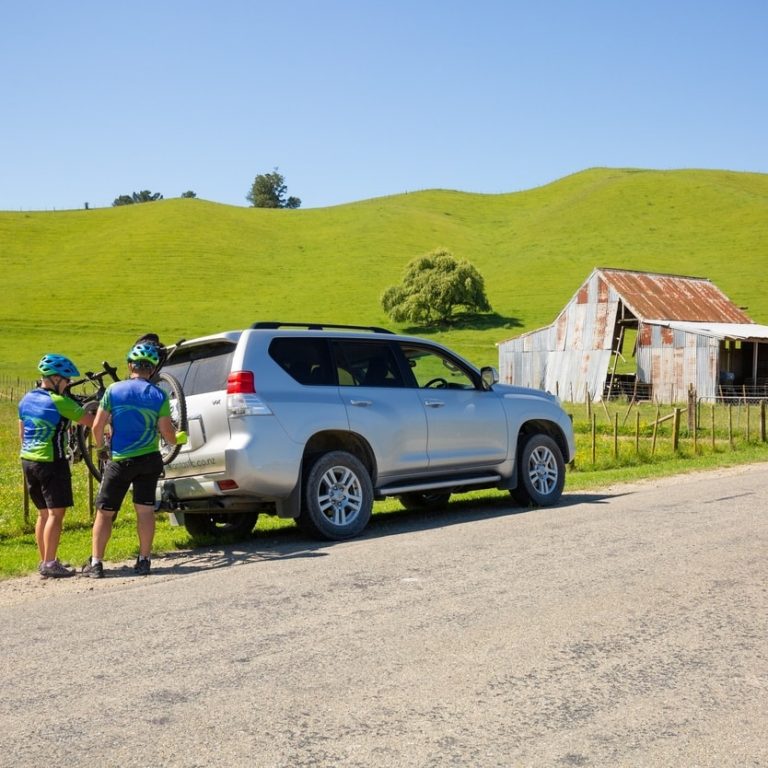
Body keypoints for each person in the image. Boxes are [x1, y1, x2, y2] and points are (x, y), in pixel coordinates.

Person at [82, 342, 186, 578]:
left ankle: (96, 563)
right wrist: (178, 438)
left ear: (130, 366)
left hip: (120, 460)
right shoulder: (158, 394)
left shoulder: (114, 390)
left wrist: (102, 449)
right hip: (149, 460)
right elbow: (167, 434)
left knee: (105, 513)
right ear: (151, 369)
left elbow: (97, 426)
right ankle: (144, 560)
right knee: (145, 511)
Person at [19, 354, 95, 578]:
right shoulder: (60, 402)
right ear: (53, 379)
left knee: (43, 514)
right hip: (52, 461)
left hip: (28, 460)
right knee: (55, 514)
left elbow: (22, 434)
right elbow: (89, 421)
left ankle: (45, 561)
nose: (68, 383)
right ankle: (51, 563)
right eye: (66, 379)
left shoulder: (26, 399)